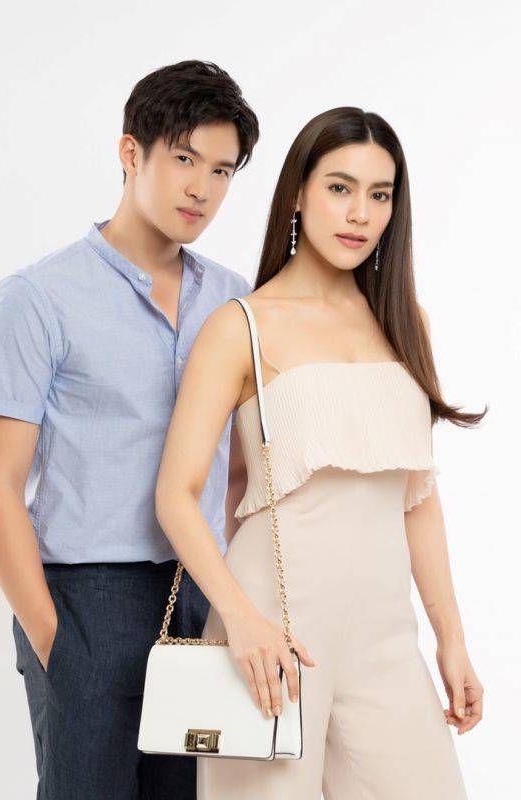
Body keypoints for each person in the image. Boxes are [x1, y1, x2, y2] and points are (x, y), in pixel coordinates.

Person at [154, 107, 485, 799]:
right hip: (270, 634)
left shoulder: (406, 323)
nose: (359, 213)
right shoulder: (240, 326)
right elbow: (175, 495)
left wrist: (451, 639)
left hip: (386, 640)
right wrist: (241, 621)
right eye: (339, 187)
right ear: (299, 193)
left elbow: (417, 499)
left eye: (379, 194)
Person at [0, 59, 258, 800]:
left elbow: (239, 469)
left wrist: (236, 595)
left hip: (201, 594)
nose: (202, 188)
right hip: (84, 599)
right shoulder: (38, 299)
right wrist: (52, 639)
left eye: (222, 170)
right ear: (131, 153)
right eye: (185, 159)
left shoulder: (233, 300)